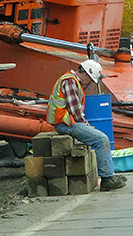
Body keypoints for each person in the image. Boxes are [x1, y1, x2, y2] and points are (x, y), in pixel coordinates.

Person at [46, 59, 126, 191]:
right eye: (90, 80)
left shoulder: (71, 80)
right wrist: (87, 126)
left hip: (66, 123)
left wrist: (86, 126)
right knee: (102, 139)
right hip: (65, 123)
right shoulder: (70, 82)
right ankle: (107, 179)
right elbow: (75, 111)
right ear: (86, 74)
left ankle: (108, 176)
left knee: (99, 137)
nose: (89, 83)